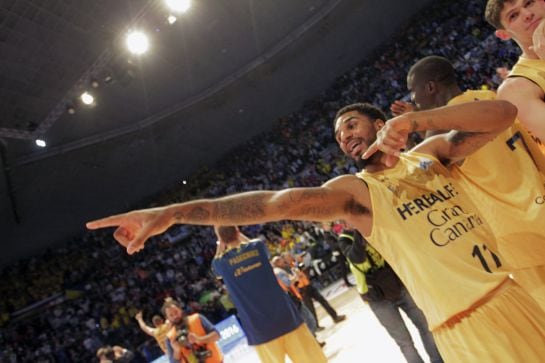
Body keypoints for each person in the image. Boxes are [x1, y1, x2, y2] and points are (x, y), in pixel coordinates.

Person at [87, 99, 545, 362]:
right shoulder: (356, 192)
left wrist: (418, 121)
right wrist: (175, 212)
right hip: (466, 326)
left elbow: (504, 113)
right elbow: (273, 204)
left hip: (516, 292)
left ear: (380, 124)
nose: (344, 136)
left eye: (350, 124)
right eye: (339, 135)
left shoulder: (431, 154)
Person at [401, 55, 545, 309]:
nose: (414, 101)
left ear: (431, 88)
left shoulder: (443, 127)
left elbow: (422, 173)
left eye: (414, 93)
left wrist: (415, 124)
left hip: (515, 233)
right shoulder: (490, 98)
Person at [211, 226, 326, 363]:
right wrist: (239, 235)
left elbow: (216, 270)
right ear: (237, 232)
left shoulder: (221, 263)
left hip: (260, 329)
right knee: (312, 360)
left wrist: (220, 243)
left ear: (221, 239)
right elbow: (260, 247)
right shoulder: (257, 247)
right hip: (286, 317)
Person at [337, 229, 443, 363]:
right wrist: (360, 231)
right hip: (376, 297)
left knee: (425, 326)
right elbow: (357, 258)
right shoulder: (345, 239)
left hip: (398, 285)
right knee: (404, 342)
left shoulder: (374, 226)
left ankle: (438, 360)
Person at [485, 0, 545, 151]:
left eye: (529, 3)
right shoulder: (515, 88)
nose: (527, 14)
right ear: (504, 34)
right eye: (513, 16)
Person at [280, 252, 346, 328]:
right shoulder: (286, 269)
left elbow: (303, 269)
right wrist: (296, 276)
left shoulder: (294, 263)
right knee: (311, 309)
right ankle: (316, 326)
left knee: (322, 300)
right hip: (301, 290)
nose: (291, 257)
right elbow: (291, 280)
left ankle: (335, 317)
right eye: (288, 256)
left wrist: (300, 262)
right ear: (284, 259)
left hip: (308, 285)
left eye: (290, 255)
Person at [162, 298, 223, 363]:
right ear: (167, 318)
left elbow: (217, 335)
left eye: (176, 312)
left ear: (180, 309)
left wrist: (199, 339)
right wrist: (177, 351)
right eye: (171, 315)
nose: (175, 316)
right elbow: (173, 362)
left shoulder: (197, 318)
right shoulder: (169, 338)